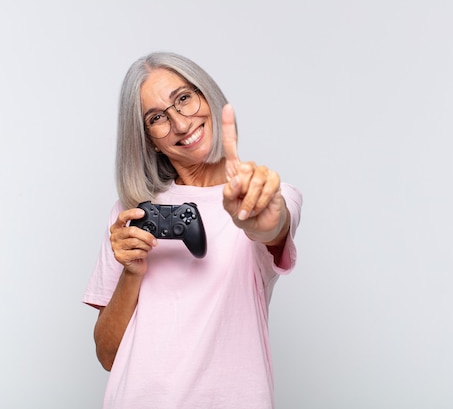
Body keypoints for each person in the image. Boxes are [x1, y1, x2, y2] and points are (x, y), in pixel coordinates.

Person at [82, 51, 303, 409]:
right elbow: (108, 356)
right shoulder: (131, 213)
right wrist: (131, 270)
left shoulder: (265, 195)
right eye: (158, 118)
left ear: (206, 95)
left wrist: (262, 221)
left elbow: (273, 227)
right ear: (148, 138)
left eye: (183, 98)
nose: (182, 125)